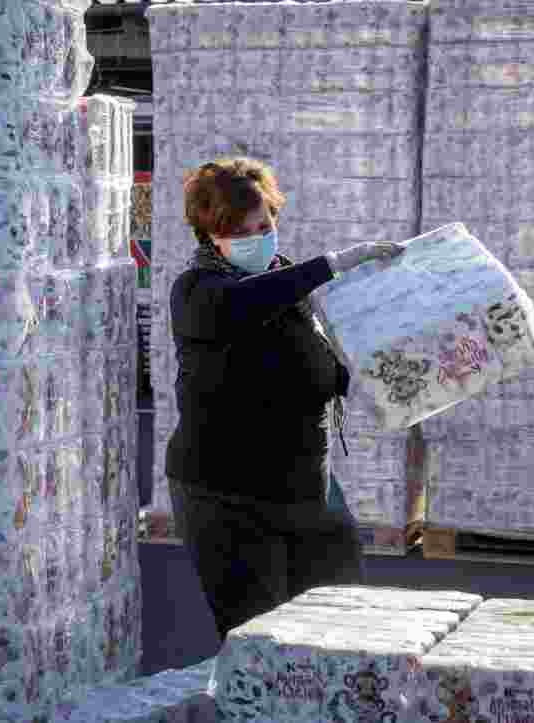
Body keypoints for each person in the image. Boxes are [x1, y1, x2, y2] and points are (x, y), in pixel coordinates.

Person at [165, 157, 407, 644]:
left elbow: (317, 368)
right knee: (263, 643)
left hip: (307, 488)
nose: (259, 235)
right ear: (211, 233)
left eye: (265, 223)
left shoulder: (291, 286)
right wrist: (333, 265)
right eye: (241, 229)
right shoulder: (198, 292)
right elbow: (243, 304)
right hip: (230, 500)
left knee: (338, 625)